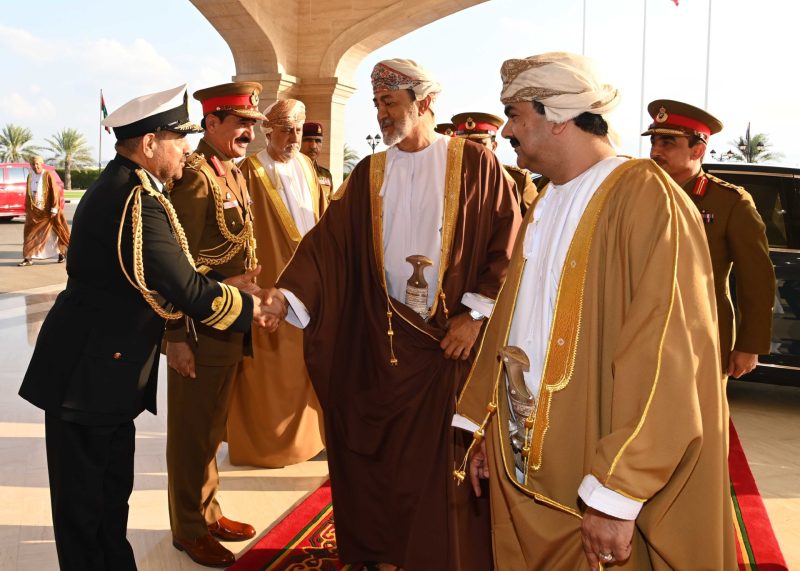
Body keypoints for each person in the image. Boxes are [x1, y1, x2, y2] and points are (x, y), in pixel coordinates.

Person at [455, 52, 736, 570]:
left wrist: (617, 493)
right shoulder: (545, 200)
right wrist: (488, 428)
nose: (508, 131)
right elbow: (516, 323)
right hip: (528, 459)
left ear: (559, 117)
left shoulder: (647, 197)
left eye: (515, 115)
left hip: (597, 471)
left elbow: (667, 355)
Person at [265, 58, 521, 570]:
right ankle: (386, 552)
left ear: (424, 103)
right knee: (381, 456)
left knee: (443, 461)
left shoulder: (475, 163)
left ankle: (442, 557)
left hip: (449, 343)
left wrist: (475, 316)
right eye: (377, 103)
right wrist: (284, 296)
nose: (381, 113)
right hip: (383, 341)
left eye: (391, 102)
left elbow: (508, 243)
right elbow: (327, 246)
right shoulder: (369, 171)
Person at [18, 84, 272, 571]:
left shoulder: (132, 188)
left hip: (104, 369)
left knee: (108, 496)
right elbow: (183, 286)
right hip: (87, 375)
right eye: (178, 139)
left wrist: (223, 286)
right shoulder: (136, 200)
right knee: (86, 506)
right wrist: (254, 308)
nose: (185, 150)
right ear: (150, 143)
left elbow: (158, 276)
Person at [164, 81, 266, 568]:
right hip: (199, 328)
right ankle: (188, 529)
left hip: (228, 322)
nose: (249, 132)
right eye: (241, 122)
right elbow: (174, 266)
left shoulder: (231, 171)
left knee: (210, 428)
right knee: (191, 431)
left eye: (252, 124)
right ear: (211, 122)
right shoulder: (197, 177)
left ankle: (207, 511)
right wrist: (175, 337)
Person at [227, 99, 327, 468]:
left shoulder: (307, 167)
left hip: (308, 285)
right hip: (267, 286)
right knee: (271, 369)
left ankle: (309, 440)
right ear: (268, 131)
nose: (293, 138)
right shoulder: (248, 171)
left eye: (298, 130)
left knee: (308, 363)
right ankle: (266, 447)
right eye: (285, 130)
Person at [644, 99, 776, 377]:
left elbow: (756, 279)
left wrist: (748, 345)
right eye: (653, 142)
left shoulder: (730, 202)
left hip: (701, 335)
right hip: (643, 332)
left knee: (700, 406)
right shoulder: (641, 195)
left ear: (698, 150)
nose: (655, 151)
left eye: (668, 143)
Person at [451, 111, 538, 213]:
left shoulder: (518, 180)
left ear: (493, 146)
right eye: (466, 145)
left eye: (480, 145)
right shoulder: (448, 179)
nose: (473, 150)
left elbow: (536, 219)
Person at [18, 155, 70, 266]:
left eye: (37, 164)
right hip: (34, 211)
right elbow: (28, 193)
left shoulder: (48, 175)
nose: (35, 166)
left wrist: (54, 208)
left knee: (54, 234)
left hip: (48, 211)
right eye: (33, 164)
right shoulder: (30, 176)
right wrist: (27, 208)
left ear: (41, 164)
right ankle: (28, 258)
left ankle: (61, 253)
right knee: (29, 234)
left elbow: (55, 192)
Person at [299, 121, 334, 200]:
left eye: (318, 141)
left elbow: (330, 204)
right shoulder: (290, 170)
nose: (313, 146)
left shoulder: (326, 174)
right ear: (299, 142)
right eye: (308, 140)